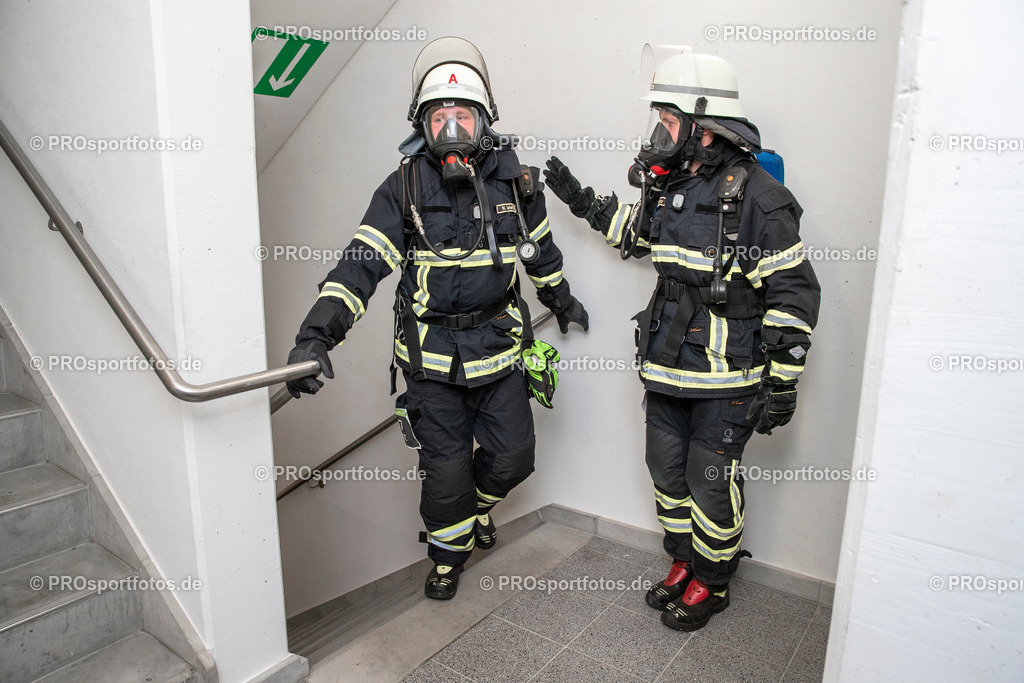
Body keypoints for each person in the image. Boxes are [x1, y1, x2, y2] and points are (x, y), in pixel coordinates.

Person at [285, 37, 589, 600]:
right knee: (446, 477)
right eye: (439, 117)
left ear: (484, 122)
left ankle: (471, 518)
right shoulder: (402, 187)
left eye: (462, 116)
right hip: (431, 364)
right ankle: (449, 557)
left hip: (500, 354)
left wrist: (562, 300)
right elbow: (360, 265)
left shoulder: (517, 185)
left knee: (514, 459)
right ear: (422, 126)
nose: (451, 129)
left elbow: (539, 253)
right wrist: (314, 337)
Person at [544, 50, 820, 631]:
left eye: (668, 123)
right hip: (666, 368)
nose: (658, 135)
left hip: (726, 380)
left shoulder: (758, 198)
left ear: (704, 125)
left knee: (709, 485)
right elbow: (636, 234)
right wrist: (578, 198)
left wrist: (784, 383)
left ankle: (714, 581)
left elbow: (794, 294)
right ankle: (685, 562)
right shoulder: (676, 187)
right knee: (666, 473)